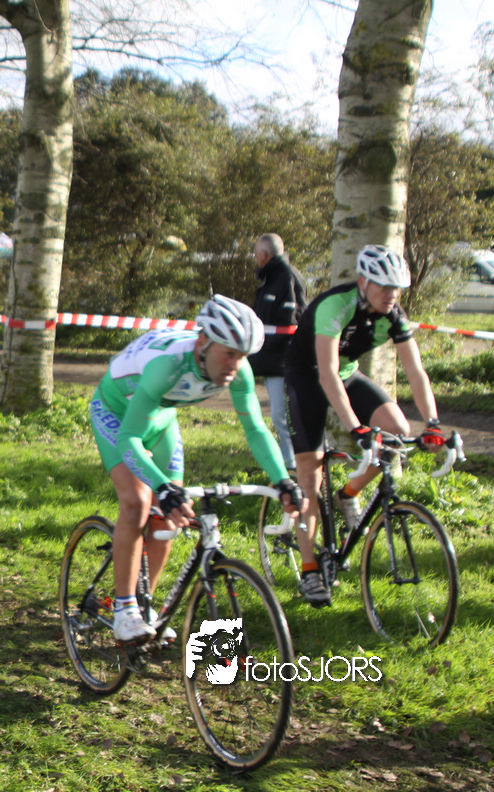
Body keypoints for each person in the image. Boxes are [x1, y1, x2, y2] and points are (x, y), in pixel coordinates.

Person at [92, 295, 304, 642]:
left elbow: (255, 429)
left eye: (243, 355)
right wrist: (161, 486)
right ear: (203, 342)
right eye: (229, 353)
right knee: (137, 502)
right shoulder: (168, 366)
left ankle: (144, 606)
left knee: (169, 515)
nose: (236, 364)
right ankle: (124, 610)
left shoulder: (238, 370)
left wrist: (282, 479)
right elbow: (129, 439)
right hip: (116, 414)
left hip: (160, 417)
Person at [284, 244, 446, 608]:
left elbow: (416, 372)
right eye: (384, 287)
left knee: (397, 433)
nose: (391, 295)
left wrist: (433, 422)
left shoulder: (394, 315)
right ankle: (309, 570)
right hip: (307, 377)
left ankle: (347, 495)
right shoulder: (336, 305)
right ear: (363, 282)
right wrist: (356, 427)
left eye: (396, 288)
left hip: (347, 375)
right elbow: (326, 373)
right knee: (309, 477)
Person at [248, 233, 307, 472]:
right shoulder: (271, 278)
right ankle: (289, 461)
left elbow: (293, 320)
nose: (255, 258)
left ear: (264, 255)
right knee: (278, 415)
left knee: (282, 415)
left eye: (256, 254)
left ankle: (293, 464)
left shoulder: (287, 277)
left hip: (283, 360)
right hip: (269, 359)